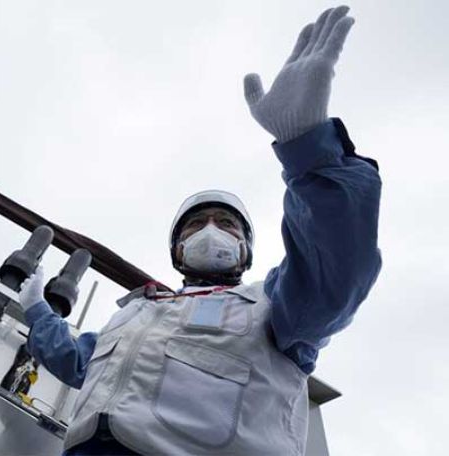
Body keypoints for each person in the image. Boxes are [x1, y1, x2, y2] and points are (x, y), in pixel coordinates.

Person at [19, 5, 382, 455]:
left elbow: (337, 265)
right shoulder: (134, 315)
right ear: (178, 248)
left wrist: (308, 147)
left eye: (226, 223)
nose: (211, 230)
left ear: (245, 248)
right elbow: (76, 361)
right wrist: (37, 311)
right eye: (196, 224)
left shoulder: (275, 305)